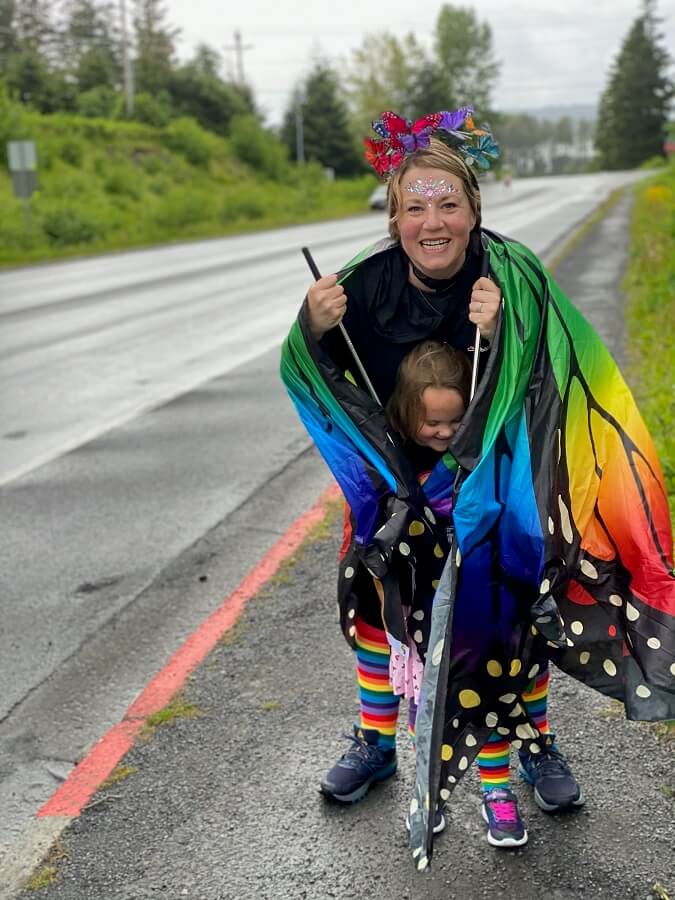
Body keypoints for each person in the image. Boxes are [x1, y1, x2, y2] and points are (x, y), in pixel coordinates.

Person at [280, 107, 675, 865]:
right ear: (394, 217)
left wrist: (505, 331)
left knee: (511, 620)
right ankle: (374, 742)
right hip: (395, 488)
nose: (432, 221)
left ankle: (534, 746)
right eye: (414, 207)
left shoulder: (513, 274)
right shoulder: (359, 289)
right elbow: (320, 376)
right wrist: (312, 326)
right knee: (376, 609)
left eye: (447, 204)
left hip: (495, 488)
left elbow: (557, 376)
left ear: (473, 210)